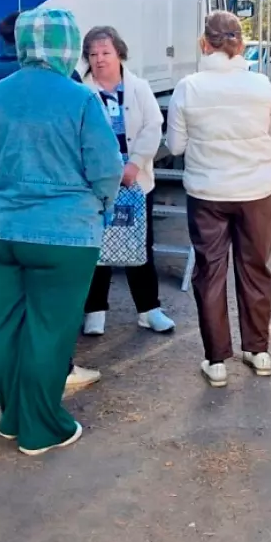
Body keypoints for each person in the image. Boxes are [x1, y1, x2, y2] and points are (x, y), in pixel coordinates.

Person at [0, 7, 124, 456]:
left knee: (8, 326)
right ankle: (42, 429)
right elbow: (107, 169)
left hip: (2, 229)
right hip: (63, 235)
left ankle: (11, 418)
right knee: (49, 330)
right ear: (66, 45)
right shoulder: (78, 97)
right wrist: (102, 204)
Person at [166, 10, 271, 388]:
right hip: (255, 192)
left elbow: (175, 145)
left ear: (205, 43)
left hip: (207, 193)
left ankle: (216, 360)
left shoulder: (188, 87)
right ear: (240, 45)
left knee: (210, 272)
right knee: (255, 269)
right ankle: (258, 350)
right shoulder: (262, 86)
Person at [79, 25, 176, 336]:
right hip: (97, 184)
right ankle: (95, 311)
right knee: (98, 247)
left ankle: (149, 309)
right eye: (93, 54)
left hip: (135, 182)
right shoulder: (81, 91)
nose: (99, 59)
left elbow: (153, 126)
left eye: (106, 52)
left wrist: (134, 165)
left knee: (139, 245)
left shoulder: (139, 88)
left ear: (119, 53)